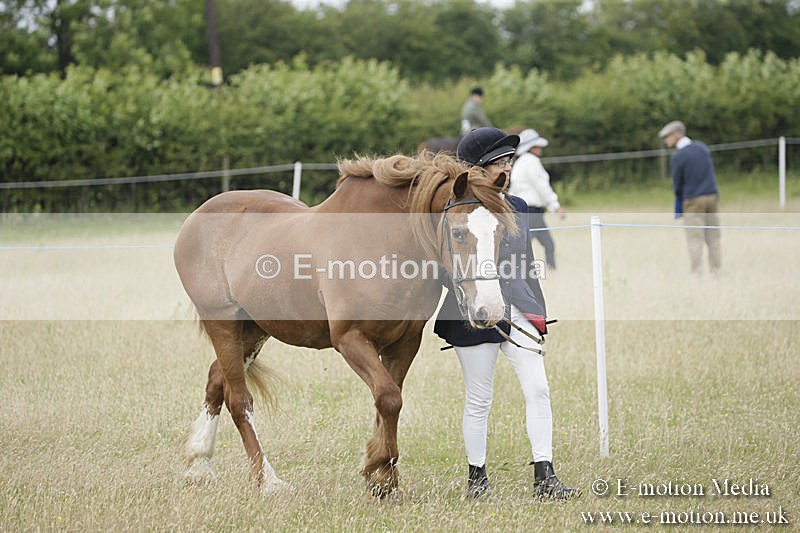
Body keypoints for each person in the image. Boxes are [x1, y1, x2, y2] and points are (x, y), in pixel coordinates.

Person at [434, 127, 580, 501]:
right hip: (473, 313)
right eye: (497, 162)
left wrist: (536, 311)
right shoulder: (457, 212)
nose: (507, 168)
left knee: (539, 388)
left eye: (508, 161)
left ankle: (545, 475)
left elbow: (528, 266)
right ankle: (477, 478)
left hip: (516, 310)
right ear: (477, 170)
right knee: (480, 397)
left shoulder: (518, 207)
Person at [658, 120, 721, 275]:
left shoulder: (679, 157)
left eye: (668, 137)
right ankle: (716, 271)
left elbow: (677, 184)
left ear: (677, 135)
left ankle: (697, 273)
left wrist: (681, 199)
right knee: (713, 238)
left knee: (694, 238)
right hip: (712, 196)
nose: (666, 140)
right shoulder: (702, 148)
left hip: (693, 200)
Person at [508, 129, 565, 271]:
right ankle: (517, 272)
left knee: (547, 243)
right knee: (525, 246)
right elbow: (542, 186)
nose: (540, 149)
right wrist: (555, 206)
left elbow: (513, 189)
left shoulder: (519, 163)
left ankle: (552, 271)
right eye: (538, 146)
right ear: (531, 147)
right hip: (532, 210)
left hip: (528, 211)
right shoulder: (532, 162)